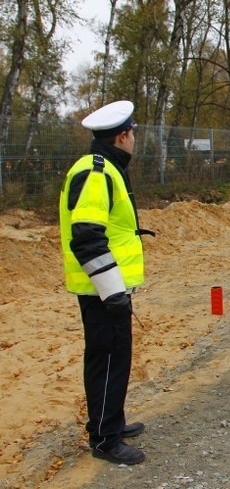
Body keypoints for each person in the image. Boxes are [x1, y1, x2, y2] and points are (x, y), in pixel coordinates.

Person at [59, 101, 150, 465]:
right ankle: (104, 438)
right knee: (109, 360)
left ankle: (111, 420)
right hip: (102, 291)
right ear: (123, 135)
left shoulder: (105, 167)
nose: (134, 141)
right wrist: (112, 289)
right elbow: (86, 236)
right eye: (133, 135)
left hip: (106, 289)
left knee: (114, 358)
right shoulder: (97, 172)